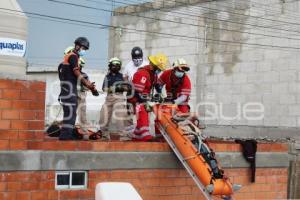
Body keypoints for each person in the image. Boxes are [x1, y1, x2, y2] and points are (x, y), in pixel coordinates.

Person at [58, 37, 98, 140]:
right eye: (83, 48)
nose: (84, 51)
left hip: (66, 90)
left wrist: (88, 85)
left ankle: (65, 136)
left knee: (69, 115)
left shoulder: (67, 59)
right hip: (69, 90)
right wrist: (87, 84)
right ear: (77, 46)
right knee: (71, 115)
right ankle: (66, 137)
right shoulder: (73, 56)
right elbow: (76, 72)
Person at [131, 53, 169, 141]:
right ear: (153, 65)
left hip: (144, 97)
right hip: (136, 98)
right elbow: (137, 91)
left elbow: (156, 85)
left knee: (149, 113)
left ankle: (136, 136)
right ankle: (146, 136)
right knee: (143, 113)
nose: (159, 71)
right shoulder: (142, 74)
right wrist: (145, 102)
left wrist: (161, 95)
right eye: (158, 69)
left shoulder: (153, 74)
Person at [99, 57, 129, 140]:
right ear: (110, 66)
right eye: (113, 65)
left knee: (119, 115)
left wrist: (118, 87)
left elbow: (127, 87)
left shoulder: (122, 76)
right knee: (103, 116)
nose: (115, 67)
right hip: (109, 97)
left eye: (117, 65)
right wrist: (110, 89)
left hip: (119, 97)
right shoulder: (107, 77)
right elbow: (104, 88)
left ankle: (123, 135)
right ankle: (104, 135)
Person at [123, 47, 148, 134]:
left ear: (142, 56)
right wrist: (127, 85)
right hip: (131, 93)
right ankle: (130, 132)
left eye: (139, 58)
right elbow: (125, 77)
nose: (137, 60)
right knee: (130, 112)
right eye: (135, 58)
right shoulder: (128, 65)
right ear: (132, 57)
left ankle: (141, 130)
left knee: (141, 112)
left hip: (142, 93)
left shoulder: (146, 64)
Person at [63, 46, 89, 130]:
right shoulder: (69, 72)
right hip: (72, 93)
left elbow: (87, 87)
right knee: (71, 113)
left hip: (80, 95)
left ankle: (84, 131)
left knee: (82, 114)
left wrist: (86, 85)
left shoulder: (84, 75)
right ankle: (70, 130)